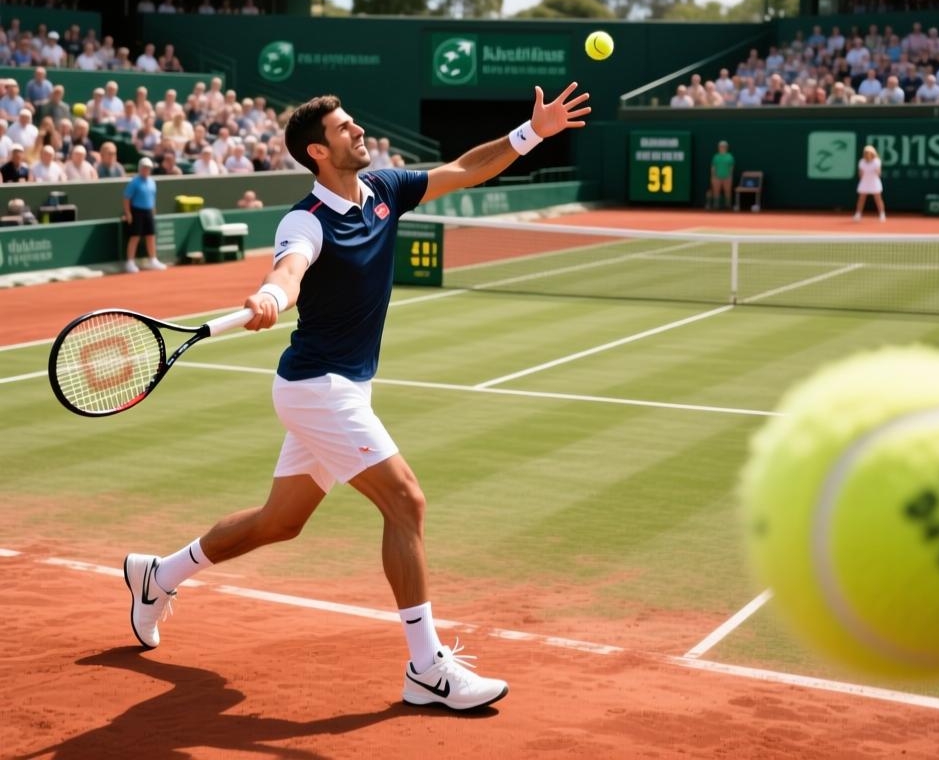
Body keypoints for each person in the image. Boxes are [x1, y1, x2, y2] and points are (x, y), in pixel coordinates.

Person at [121, 83, 591, 712]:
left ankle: (159, 574)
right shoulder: (304, 220)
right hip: (319, 388)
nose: (357, 131)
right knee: (406, 502)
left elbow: (463, 169)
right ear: (318, 150)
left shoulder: (385, 190)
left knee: (278, 523)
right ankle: (426, 668)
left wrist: (531, 132)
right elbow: (290, 268)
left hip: (335, 385)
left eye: (353, 122)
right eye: (344, 128)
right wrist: (271, 296)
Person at [122, 157, 166, 272]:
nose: (146, 170)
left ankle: (153, 260)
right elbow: (126, 198)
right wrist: (128, 213)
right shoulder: (134, 182)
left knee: (151, 236)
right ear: (140, 168)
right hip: (136, 211)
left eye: (148, 168)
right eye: (144, 167)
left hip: (148, 212)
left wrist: (153, 210)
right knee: (135, 237)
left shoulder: (152, 182)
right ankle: (130, 262)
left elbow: (152, 197)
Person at [853, 144, 885, 222]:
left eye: (868, 152)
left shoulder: (877, 161)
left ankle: (882, 214)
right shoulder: (861, 162)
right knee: (861, 199)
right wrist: (862, 174)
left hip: (874, 182)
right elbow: (860, 175)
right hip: (864, 182)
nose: (867, 154)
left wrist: (876, 169)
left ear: (872, 153)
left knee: (878, 199)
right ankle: (858, 214)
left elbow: (879, 173)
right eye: (866, 152)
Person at [708, 140, 734, 210]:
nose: (722, 147)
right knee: (716, 191)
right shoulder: (716, 157)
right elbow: (713, 167)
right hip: (717, 177)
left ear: (726, 147)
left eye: (723, 146)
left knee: (727, 191)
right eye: (720, 146)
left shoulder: (730, 156)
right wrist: (713, 177)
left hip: (727, 177)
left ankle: (728, 206)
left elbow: (731, 168)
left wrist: (730, 176)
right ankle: (716, 206)